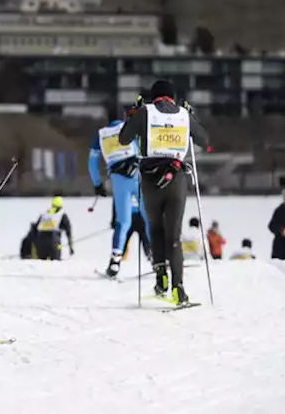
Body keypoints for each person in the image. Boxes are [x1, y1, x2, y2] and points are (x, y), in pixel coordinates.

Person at [118, 79, 210, 306]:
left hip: (150, 180)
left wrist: (134, 114)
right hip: (176, 178)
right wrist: (191, 116)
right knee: (174, 236)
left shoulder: (144, 112)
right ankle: (179, 290)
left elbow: (123, 139)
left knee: (155, 229)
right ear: (173, 97)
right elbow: (205, 141)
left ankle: (161, 279)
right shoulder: (183, 114)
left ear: (153, 96)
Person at [89, 110, 144, 278]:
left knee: (123, 222)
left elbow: (92, 162)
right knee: (149, 218)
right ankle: (160, 260)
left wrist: (98, 184)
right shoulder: (130, 127)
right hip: (138, 177)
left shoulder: (101, 135)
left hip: (119, 180)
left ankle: (115, 262)